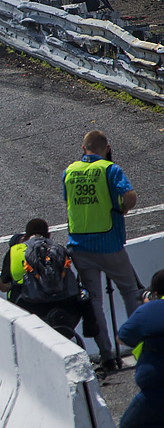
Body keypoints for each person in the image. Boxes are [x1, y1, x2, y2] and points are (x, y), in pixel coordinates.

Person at [64, 129, 142, 373]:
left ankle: (107, 356)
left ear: (83, 147)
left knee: (94, 301)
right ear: (107, 147)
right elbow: (130, 197)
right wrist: (121, 209)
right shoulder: (110, 169)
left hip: (79, 246)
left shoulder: (69, 171)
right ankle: (141, 348)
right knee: (130, 291)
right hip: (109, 243)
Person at [0, 216, 98, 344]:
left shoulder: (15, 251)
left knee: (14, 287)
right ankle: (91, 331)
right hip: (68, 311)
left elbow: (3, 284)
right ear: (48, 235)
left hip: (31, 310)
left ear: (26, 236)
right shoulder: (59, 249)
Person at [117, 272, 164, 428]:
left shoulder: (150, 309)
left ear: (156, 292)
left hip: (156, 387)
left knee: (128, 426)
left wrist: (147, 306)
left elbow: (123, 338)